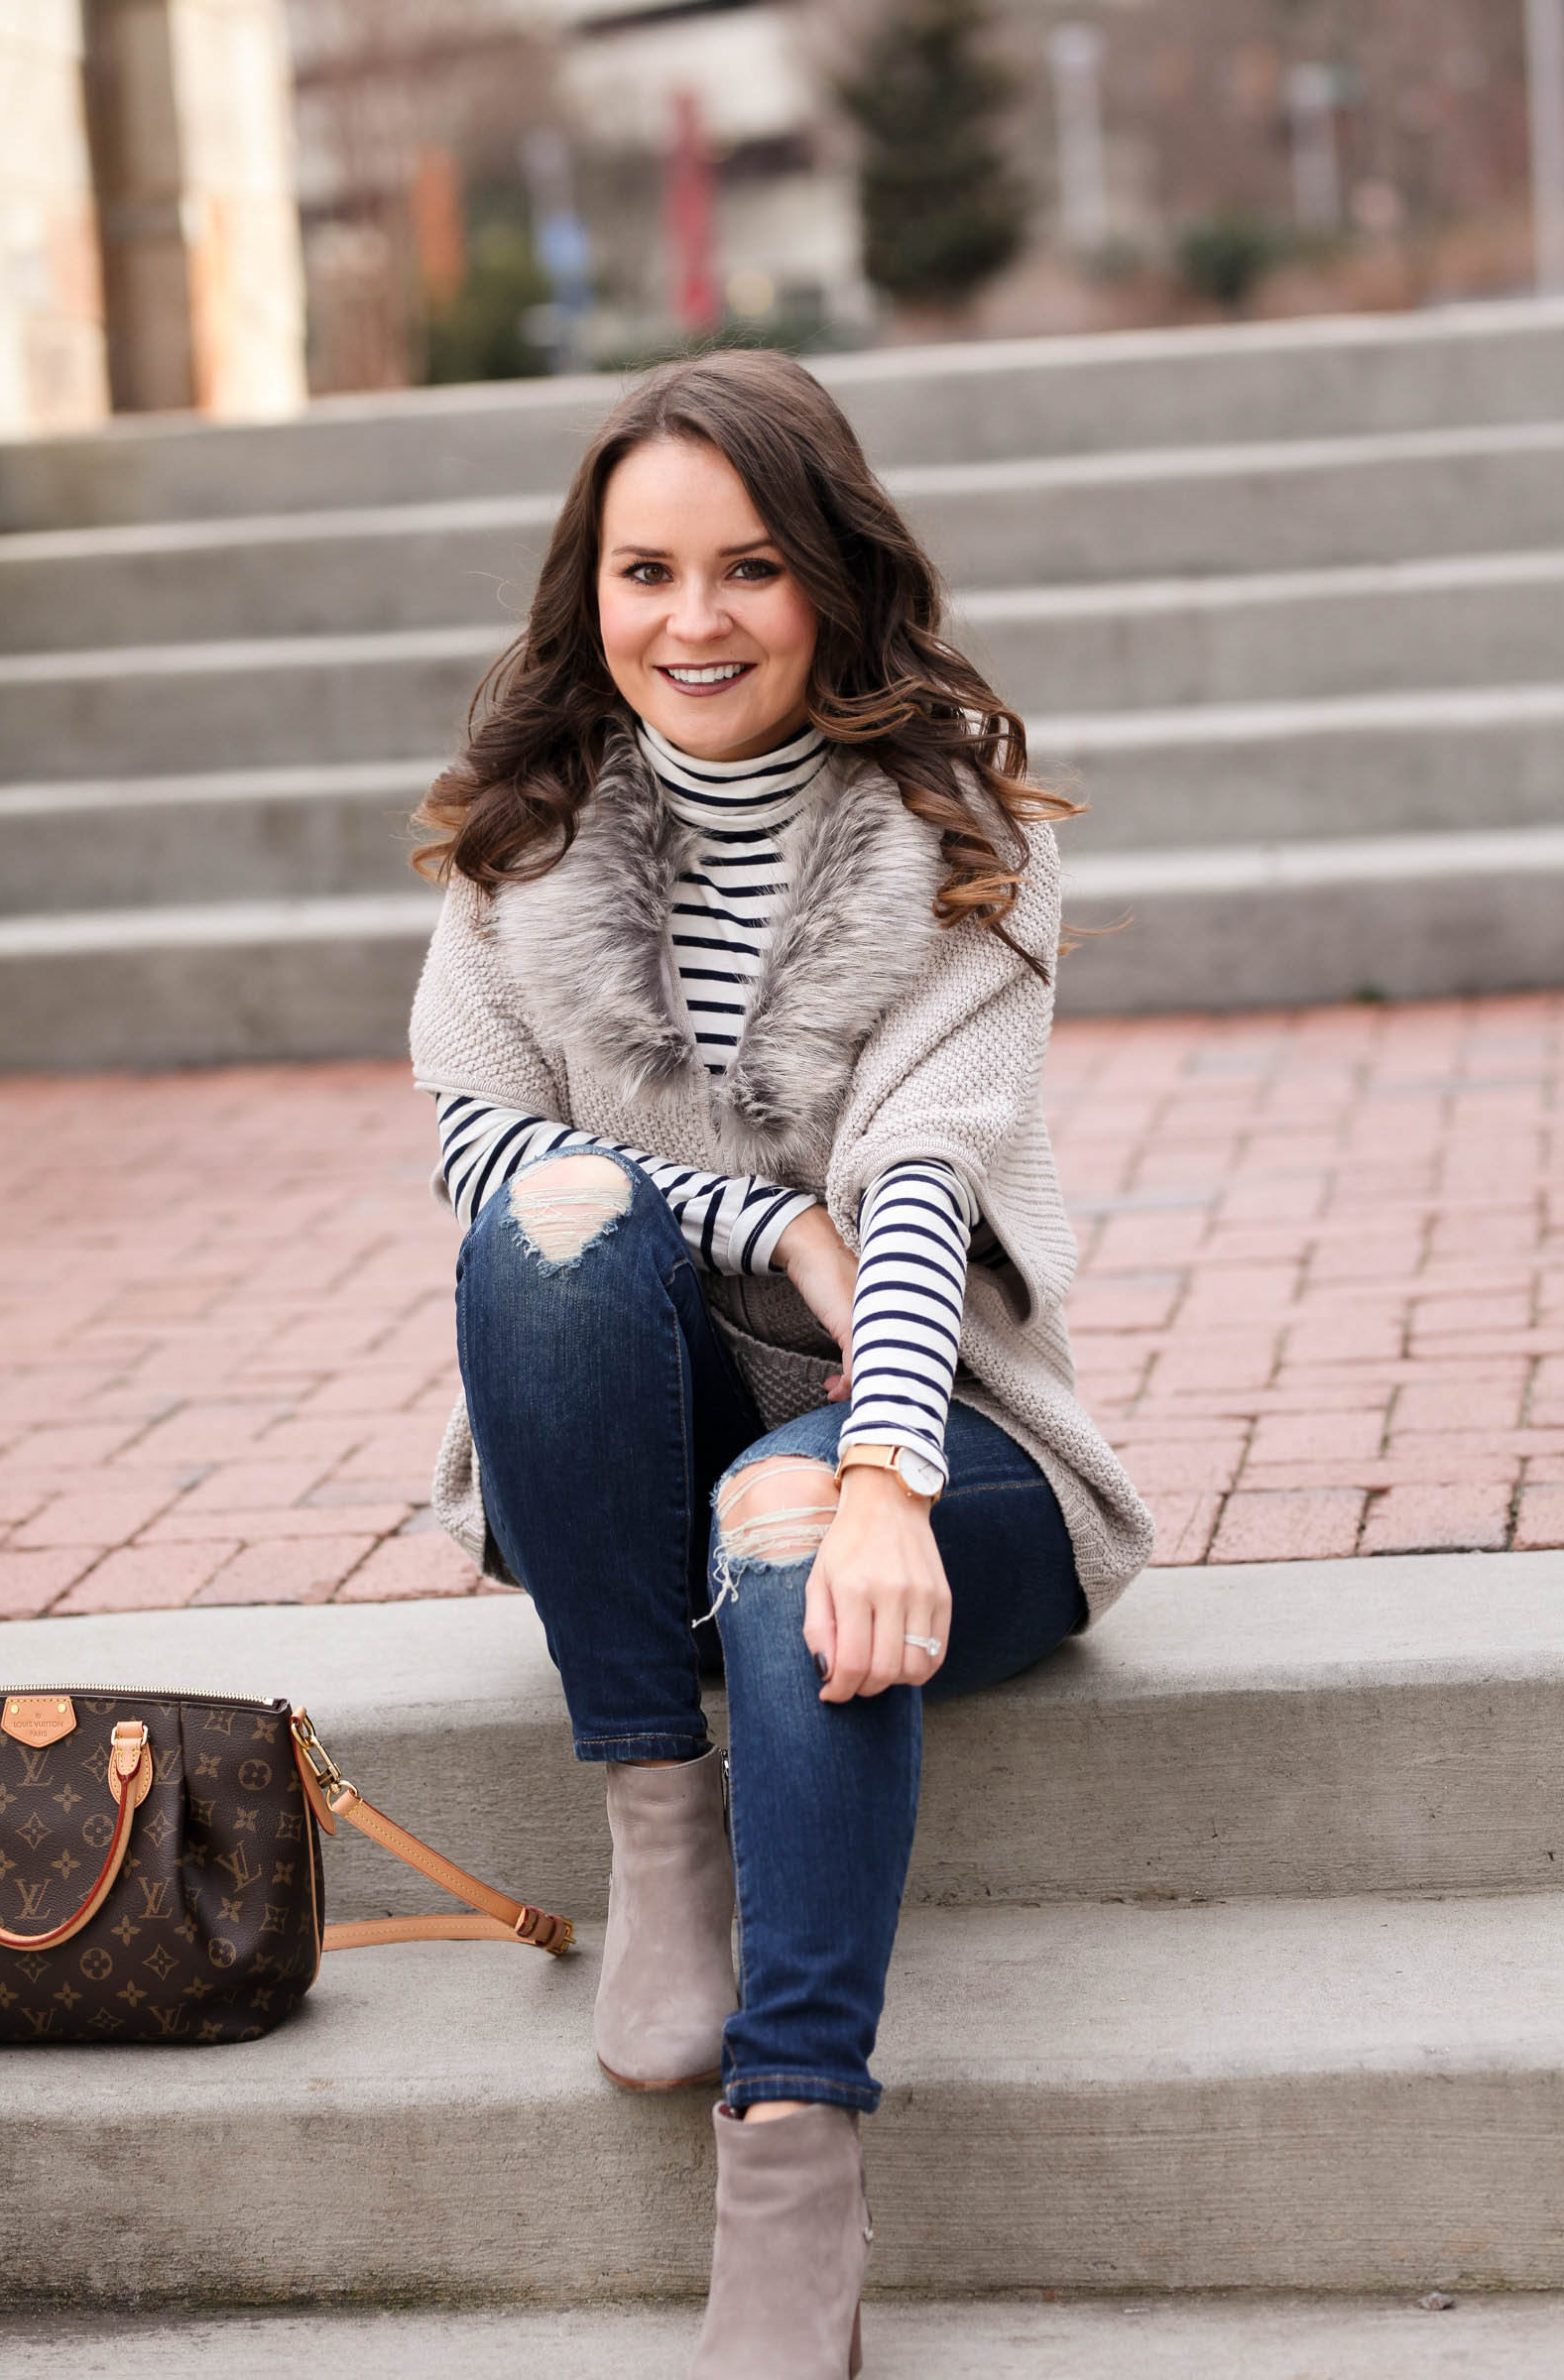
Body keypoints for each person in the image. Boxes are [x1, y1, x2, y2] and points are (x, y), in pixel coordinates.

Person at [408, 348, 1151, 2378]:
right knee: (550, 1221)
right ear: (594, 594)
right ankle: (661, 1824)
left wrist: (886, 1468)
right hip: (622, 1426)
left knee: (785, 1506)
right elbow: (477, 1138)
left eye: (746, 567)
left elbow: (917, 1183)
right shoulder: (525, 838)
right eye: (646, 573)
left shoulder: (956, 832)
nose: (693, 621)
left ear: (825, 578)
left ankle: (795, 2139)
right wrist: (763, 1219)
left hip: (942, 1427)